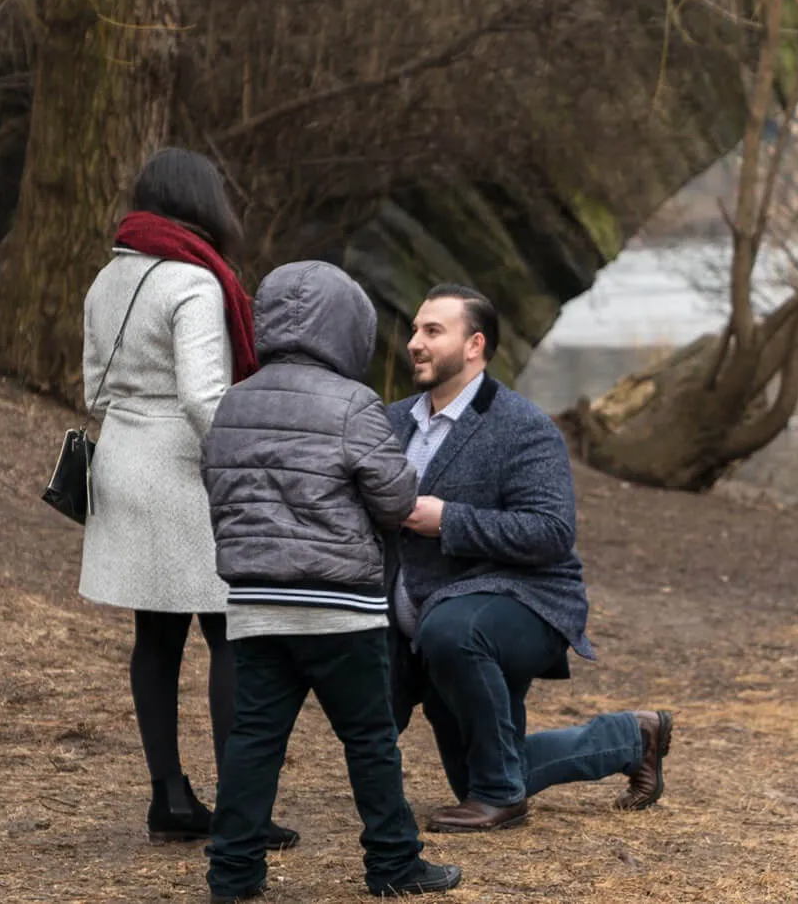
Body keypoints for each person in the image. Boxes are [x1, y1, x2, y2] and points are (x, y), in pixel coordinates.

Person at [201, 261, 463, 902]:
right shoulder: (353, 404)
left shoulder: (234, 400)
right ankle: (393, 865)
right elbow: (397, 495)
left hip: (257, 602)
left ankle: (233, 875)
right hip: (338, 605)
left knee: (254, 740)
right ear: (348, 329)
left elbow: (217, 489)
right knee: (370, 741)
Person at [386, 283, 674, 833]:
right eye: (414, 330)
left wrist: (448, 519)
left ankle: (503, 800)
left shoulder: (522, 426)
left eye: (432, 331)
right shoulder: (392, 421)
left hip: (521, 604)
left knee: (453, 636)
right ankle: (630, 738)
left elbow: (550, 531)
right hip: (419, 616)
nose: (414, 343)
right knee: (479, 772)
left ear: (475, 345)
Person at [77, 147, 296, 849]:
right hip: (183, 473)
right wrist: (255, 457)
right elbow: (206, 400)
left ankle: (169, 797)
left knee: (157, 637)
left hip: (123, 460)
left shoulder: (108, 277)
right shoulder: (196, 283)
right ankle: (242, 809)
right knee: (231, 631)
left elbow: (93, 389)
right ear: (205, 203)